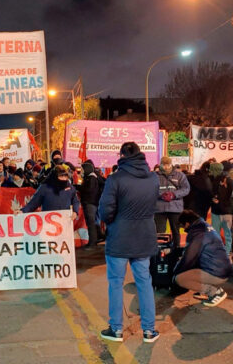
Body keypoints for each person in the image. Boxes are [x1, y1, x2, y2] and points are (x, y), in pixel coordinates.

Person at [97, 142, 159, 343]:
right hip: (144, 236)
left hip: (120, 238)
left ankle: (116, 329)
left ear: (122, 155)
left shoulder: (115, 179)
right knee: (144, 282)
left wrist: (109, 221)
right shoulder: (153, 178)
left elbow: (106, 211)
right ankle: (149, 330)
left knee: (115, 283)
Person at [173, 210, 233, 306]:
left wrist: (175, 272)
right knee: (190, 267)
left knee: (180, 279)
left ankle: (215, 292)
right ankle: (205, 290)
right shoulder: (203, 225)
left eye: (183, 226)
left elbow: (189, 258)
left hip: (218, 272)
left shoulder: (197, 232)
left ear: (187, 223)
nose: (183, 228)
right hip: (221, 268)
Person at [154, 156, 190, 249]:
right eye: (164, 165)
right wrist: (161, 195)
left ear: (171, 164)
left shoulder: (180, 175)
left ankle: (176, 249)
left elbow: (186, 189)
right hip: (159, 208)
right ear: (160, 164)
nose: (166, 167)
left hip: (175, 208)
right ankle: (158, 251)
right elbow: (150, 189)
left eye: (168, 164)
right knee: (159, 232)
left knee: (175, 230)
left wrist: (174, 195)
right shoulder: (154, 176)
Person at [209, 162, 233, 257]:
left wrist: (219, 202)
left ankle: (224, 252)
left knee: (221, 233)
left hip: (222, 211)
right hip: (223, 211)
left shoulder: (227, 181)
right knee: (223, 233)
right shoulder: (215, 180)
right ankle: (225, 252)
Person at [77, 160, 102, 248]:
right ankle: (94, 240)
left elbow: (89, 190)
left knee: (91, 223)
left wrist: (79, 188)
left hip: (90, 203)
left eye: (82, 169)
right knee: (92, 223)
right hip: (91, 203)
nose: (82, 171)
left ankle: (92, 243)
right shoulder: (91, 177)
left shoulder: (91, 178)